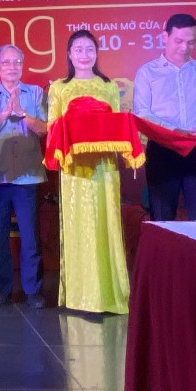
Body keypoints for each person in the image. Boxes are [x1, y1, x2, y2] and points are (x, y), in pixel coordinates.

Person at [47, 30, 130, 314]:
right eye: (79, 49)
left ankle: (109, 293)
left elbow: (117, 126)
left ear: (96, 53)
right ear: (69, 55)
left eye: (90, 49)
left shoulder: (108, 86)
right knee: (79, 224)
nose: (84, 55)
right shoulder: (59, 88)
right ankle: (81, 296)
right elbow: (53, 127)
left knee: (106, 222)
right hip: (74, 169)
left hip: (105, 167)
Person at [0, 44, 47, 310]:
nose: (12, 67)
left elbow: (44, 129)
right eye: (6, 62)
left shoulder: (36, 93)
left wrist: (23, 114)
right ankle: (2, 290)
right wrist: (4, 114)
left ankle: (33, 290)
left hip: (28, 176)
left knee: (30, 236)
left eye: (17, 62)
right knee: (0, 236)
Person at [133, 13, 196, 221]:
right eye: (179, 41)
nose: (185, 47)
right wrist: (172, 131)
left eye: (191, 42)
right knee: (162, 219)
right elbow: (141, 112)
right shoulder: (147, 72)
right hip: (162, 152)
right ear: (164, 37)